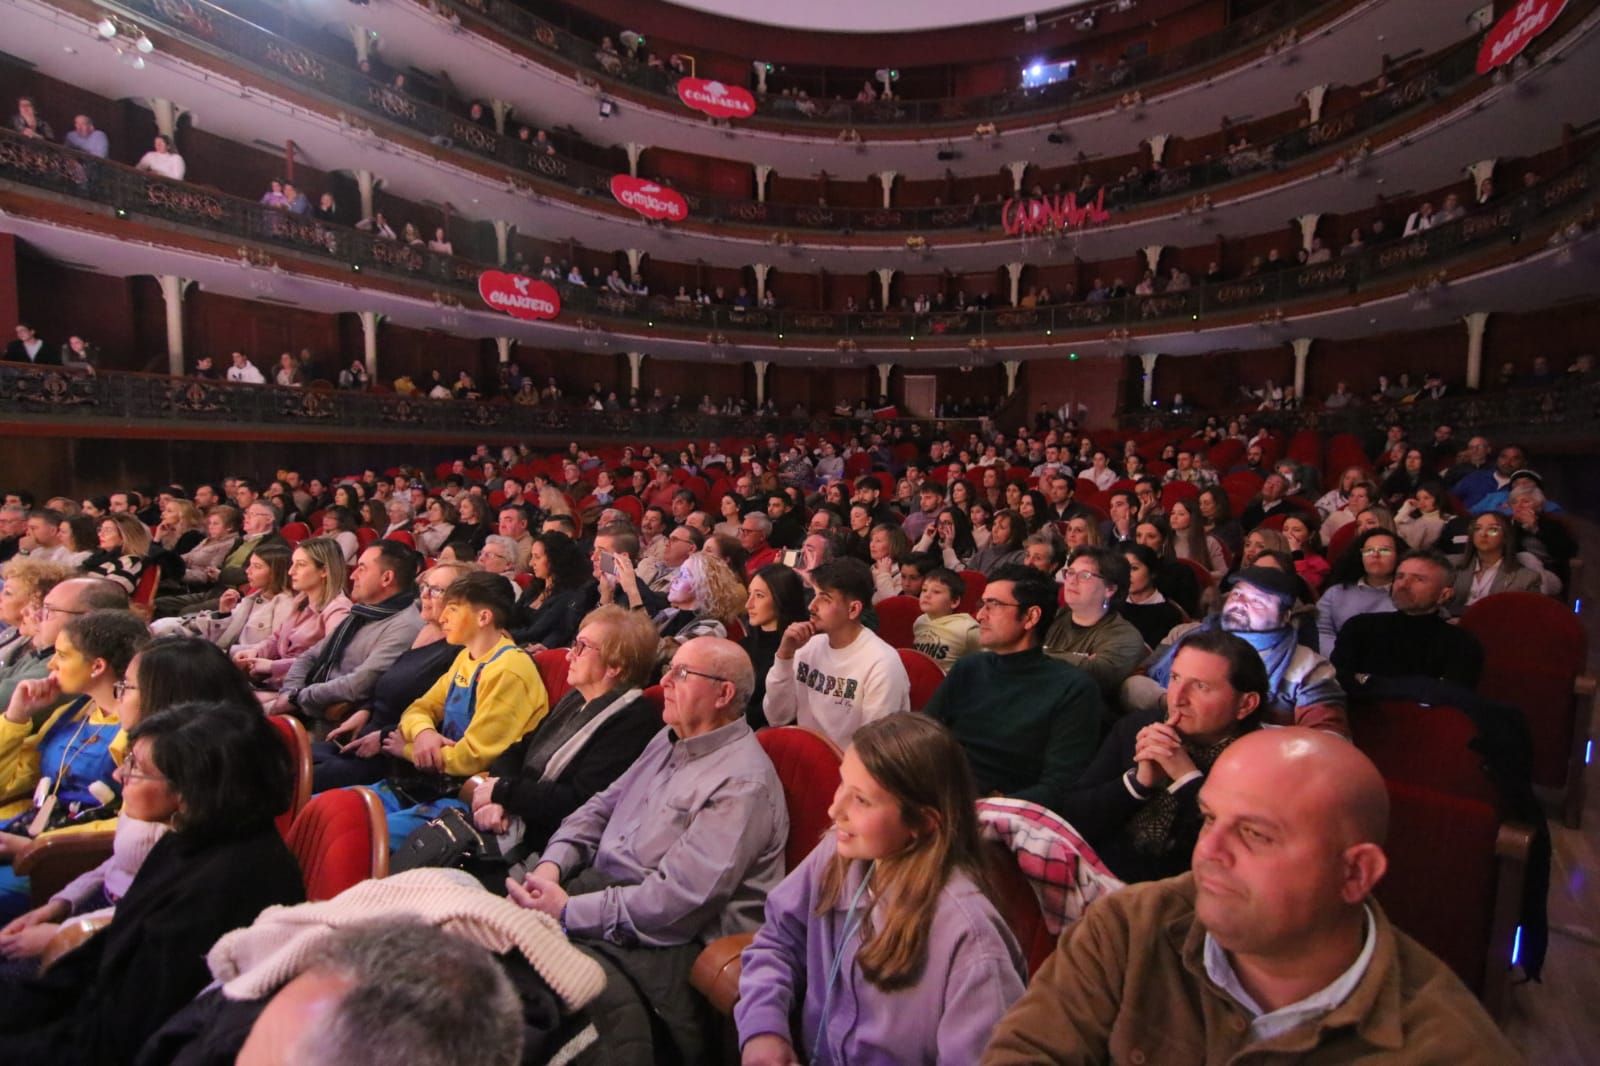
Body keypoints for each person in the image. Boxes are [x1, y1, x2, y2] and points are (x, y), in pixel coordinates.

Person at [982, 729, 1518, 1064]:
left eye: (1255, 834)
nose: (1209, 848)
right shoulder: (1129, 923)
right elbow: (1026, 1051)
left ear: (1355, 874)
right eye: (1210, 818)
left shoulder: (1447, 1047)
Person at [506, 636, 787, 1066]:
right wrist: (550, 868)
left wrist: (567, 912)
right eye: (668, 669)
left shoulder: (742, 784)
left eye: (681, 673)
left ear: (723, 694)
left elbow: (676, 903)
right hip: (597, 897)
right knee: (489, 959)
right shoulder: (668, 737)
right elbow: (599, 807)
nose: (666, 681)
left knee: (539, 1016)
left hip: (668, 946)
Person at [0, 701, 304, 1066]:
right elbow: (99, 958)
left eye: (136, 768)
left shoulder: (226, 886)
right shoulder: (188, 840)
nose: (118, 775)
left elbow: (121, 1036)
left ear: (190, 791)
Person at [737, 715, 1026, 1065]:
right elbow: (778, 941)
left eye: (861, 800)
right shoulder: (838, 852)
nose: (834, 809)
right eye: (842, 783)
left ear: (922, 822)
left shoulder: (971, 940)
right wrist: (764, 1030)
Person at [0, 636, 259, 964]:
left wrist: (67, 930)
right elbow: (121, 864)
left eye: (127, 687)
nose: (117, 695)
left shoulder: (196, 801)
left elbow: (161, 920)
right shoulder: (164, 767)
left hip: (99, 932)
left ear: (166, 698)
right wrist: (61, 905)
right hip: (85, 904)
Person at [1056, 629, 1267, 883]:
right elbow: (1071, 817)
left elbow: (1237, 860)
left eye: (1201, 686)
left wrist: (1186, 779)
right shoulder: (1136, 728)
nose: (1177, 698)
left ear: (1245, 705)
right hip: (1094, 874)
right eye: (1175, 678)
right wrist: (1136, 783)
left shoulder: (1260, 764)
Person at [466, 605, 662, 867]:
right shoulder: (576, 698)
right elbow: (517, 750)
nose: (570, 656)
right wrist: (499, 799)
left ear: (615, 665)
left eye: (581, 647)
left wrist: (504, 793)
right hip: (510, 815)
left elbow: (579, 802)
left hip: (546, 846)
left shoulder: (632, 720)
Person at [374, 571, 548, 851]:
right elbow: (418, 708)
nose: (442, 617)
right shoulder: (465, 658)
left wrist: (406, 749)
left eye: (453, 610)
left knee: (361, 833)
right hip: (431, 779)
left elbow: (471, 758)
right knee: (340, 806)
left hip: (466, 797)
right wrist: (425, 734)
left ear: (483, 618)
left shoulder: (509, 670)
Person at [0, 609, 149, 918]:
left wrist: (40, 844)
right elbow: (7, 785)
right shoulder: (72, 712)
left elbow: (133, 823)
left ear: (97, 666)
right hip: (29, 830)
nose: (51, 664)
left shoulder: (141, 729)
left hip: (65, 858)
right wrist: (16, 717)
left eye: (62, 655)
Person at [925, 565, 1102, 806]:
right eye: (982, 604)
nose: (980, 615)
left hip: (1002, 813)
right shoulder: (969, 667)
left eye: (994, 605)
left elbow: (1059, 786)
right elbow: (923, 732)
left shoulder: (1073, 688)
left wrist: (989, 807)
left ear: (1031, 617)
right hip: (939, 791)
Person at [1124, 567, 1348, 736]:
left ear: (1285, 616)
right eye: (1237, 595)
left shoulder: (1308, 668)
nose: (1241, 604)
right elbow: (1138, 681)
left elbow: (1330, 740)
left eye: (1257, 601)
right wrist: (1171, 704)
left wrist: (1227, 725)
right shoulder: (1192, 635)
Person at [310, 560, 468, 791]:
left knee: (293, 781)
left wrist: (384, 736)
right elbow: (391, 682)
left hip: (392, 759)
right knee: (282, 759)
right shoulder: (425, 631)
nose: (425, 595)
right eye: (424, 586)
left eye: (436, 590)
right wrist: (365, 710)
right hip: (362, 737)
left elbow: (442, 720)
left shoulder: (459, 650)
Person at [765, 559, 910, 751]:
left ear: (853, 609)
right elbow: (777, 717)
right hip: (805, 758)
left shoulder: (882, 663)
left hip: (850, 770)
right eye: (814, 595)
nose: (811, 606)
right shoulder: (808, 647)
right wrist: (784, 656)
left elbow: (874, 750)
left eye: (824, 598)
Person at [271, 541, 424, 720]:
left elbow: (357, 684)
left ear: (387, 578)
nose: (353, 576)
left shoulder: (404, 626)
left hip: (328, 719)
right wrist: (290, 691)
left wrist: (298, 697)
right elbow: (310, 656)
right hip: (304, 701)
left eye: (362, 568)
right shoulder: (361, 612)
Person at [1333, 551, 1484, 691]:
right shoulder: (1359, 627)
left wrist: (1368, 681)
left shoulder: (1460, 643)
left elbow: (1449, 699)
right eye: (1400, 576)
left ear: (1444, 595)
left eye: (1419, 579)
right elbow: (1336, 683)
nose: (1403, 585)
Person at [231, 537, 350, 690]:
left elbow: (327, 659)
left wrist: (273, 666)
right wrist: (256, 651)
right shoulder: (301, 600)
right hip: (275, 683)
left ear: (324, 571)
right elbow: (277, 637)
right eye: (293, 564)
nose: (291, 571)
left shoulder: (338, 609)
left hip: (298, 691)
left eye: (300, 565)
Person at [1041, 547, 1148, 702]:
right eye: (1070, 573)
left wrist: (1031, 655)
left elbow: (1093, 674)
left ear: (1110, 589)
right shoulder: (1052, 616)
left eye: (1084, 575)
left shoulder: (1125, 636)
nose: (1071, 580)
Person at [742, 564, 808, 730]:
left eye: (759, 596)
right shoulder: (744, 645)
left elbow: (774, 716)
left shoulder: (799, 650)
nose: (748, 604)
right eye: (750, 594)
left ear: (781, 598)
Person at [1314, 528, 1399, 656]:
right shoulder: (1336, 592)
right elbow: (1320, 631)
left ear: (1399, 556)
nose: (1375, 555)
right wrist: (1344, 657)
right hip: (1338, 664)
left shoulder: (1408, 594)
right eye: (1368, 550)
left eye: (1384, 550)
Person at [509, 531, 598, 651]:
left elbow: (535, 632)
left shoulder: (569, 595)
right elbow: (512, 616)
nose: (531, 563)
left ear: (555, 559)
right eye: (532, 556)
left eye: (537, 557)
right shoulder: (535, 587)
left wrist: (501, 634)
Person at [1448, 511, 1540, 616]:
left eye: (1492, 529)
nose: (1483, 534)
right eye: (1477, 529)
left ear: (1506, 537)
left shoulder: (1527, 579)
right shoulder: (1450, 564)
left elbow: (1525, 619)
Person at [1117, 544, 1188, 649]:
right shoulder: (1113, 606)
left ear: (1152, 572)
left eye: (1134, 568)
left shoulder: (1170, 613)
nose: (1126, 575)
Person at [912, 568, 980, 675]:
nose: (927, 595)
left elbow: (990, 660)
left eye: (936, 592)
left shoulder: (967, 628)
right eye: (924, 590)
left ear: (954, 601)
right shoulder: (919, 622)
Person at [82, 513, 151, 595]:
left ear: (124, 537)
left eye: (108, 530)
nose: (100, 534)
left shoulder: (130, 561)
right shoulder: (97, 557)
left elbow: (112, 593)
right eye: (100, 529)